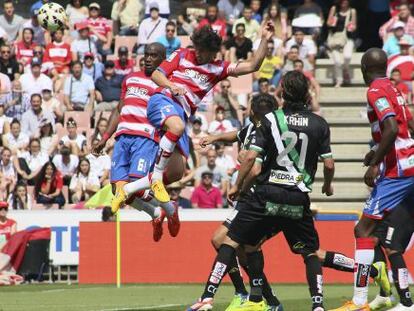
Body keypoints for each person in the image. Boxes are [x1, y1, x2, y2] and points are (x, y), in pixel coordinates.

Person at [188, 81, 335, 310]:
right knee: (247, 246)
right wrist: (214, 138)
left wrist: (239, 181)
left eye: (249, 110)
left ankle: (246, 297)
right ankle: (263, 298)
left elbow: (255, 167)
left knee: (231, 242)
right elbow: (236, 135)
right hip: (281, 195)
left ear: (254, 113)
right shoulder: (254, 128)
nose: (246, 113)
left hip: (261, 196)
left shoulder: (267, 127)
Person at [112, 23, 274, 209]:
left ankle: (140, 194)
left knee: (176, 172)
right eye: (197, 48)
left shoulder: (218, 68)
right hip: (162, 101)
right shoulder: (181, 54)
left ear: (212, 53)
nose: (197, 53)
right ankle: (154, 180)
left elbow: (253, 65)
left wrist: (264, 38)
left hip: (180, 114)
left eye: (202, 51)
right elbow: (157, 74)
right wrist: (171, 86)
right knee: (177, 128)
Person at [332, 48, 414, 311]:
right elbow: (406, 126)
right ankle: (395, 298)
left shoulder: (375, 90)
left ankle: (358, 301)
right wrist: (377, 150)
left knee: (363, 230)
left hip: (397, 171)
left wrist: (377, 162)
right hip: (408, 162)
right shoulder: (395, 89)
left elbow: (391, 127)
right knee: (385, 239)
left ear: (364, 69)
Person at [92, 43, 180, 242]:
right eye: (146, 54)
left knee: (136, 185)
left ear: (163, 60)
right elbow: (119, 109)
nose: (148, 58)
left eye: (153, 55)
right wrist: (104, 138)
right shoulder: (130, 78)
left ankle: (170, 208)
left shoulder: (166, 83)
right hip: (122, 137)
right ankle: (156, 214)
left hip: (145, 139)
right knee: (118, 190)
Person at [326, 0, 357, 87]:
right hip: (335, 38)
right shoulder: (334, 9)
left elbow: (354, 26)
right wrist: (332, 22)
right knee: (338, 61)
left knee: (347, 56)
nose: (344, 2)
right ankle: (339, 80)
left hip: (347, 38)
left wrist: (350, 27)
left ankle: (345, 70)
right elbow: (328, 23)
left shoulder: (352, 11)